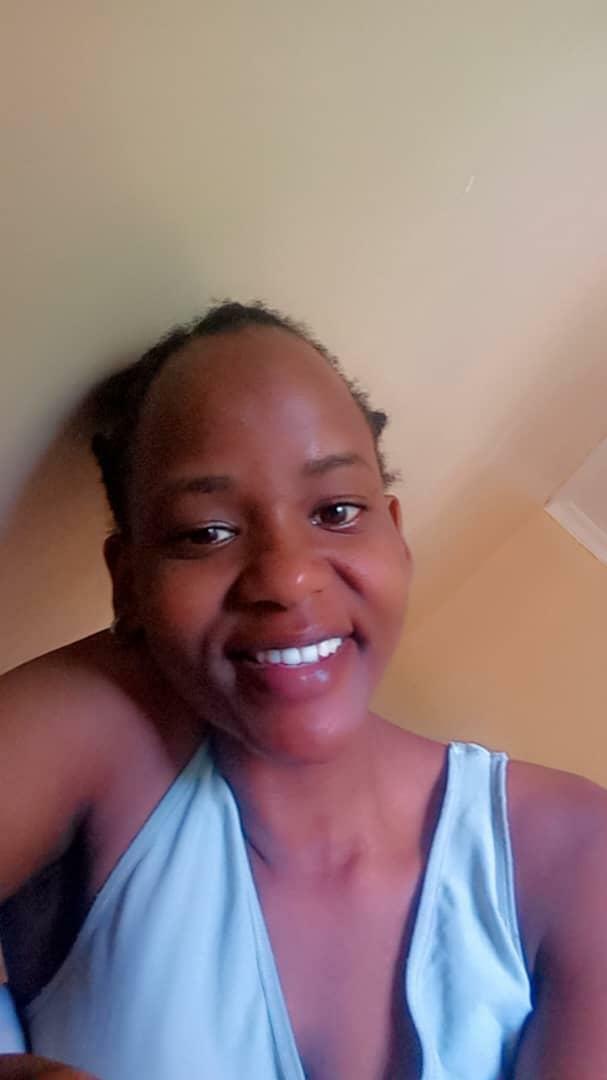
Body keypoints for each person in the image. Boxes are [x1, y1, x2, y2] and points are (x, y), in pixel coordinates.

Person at [0, 301, 606, 1080]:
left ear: (395, 535)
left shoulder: (573, 850)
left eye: (336, 511)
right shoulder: (100, 728)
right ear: (128, 582)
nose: (287, 578)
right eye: (206, 533)